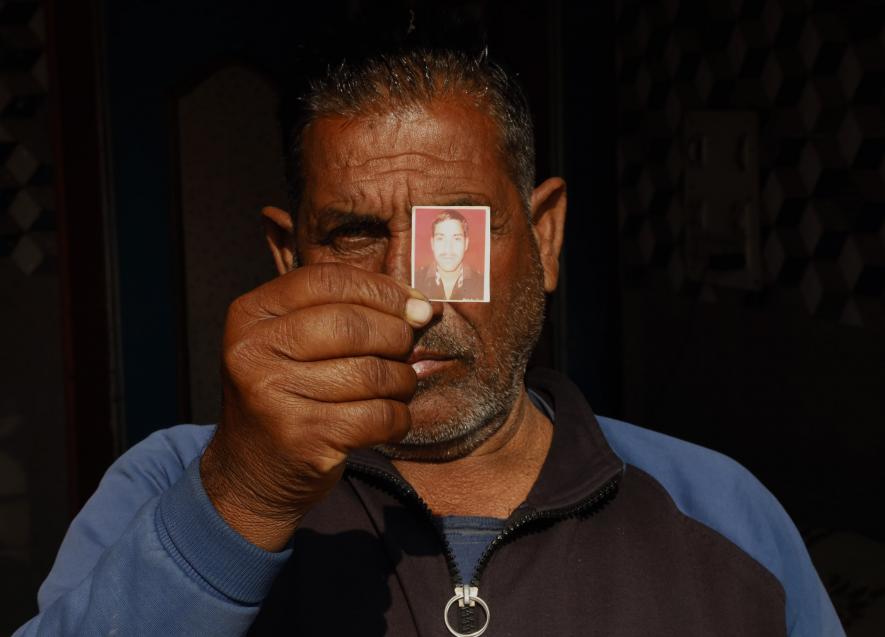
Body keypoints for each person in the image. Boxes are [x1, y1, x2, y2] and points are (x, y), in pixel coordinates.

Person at [16, 49, 843, 637]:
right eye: (353, 235)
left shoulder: (720, 513)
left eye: (454, 232)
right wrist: (243, 502)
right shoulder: (171, 485)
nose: (411, 296)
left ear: (544, 238)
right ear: (288, 257)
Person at [415, 209, 485, 301]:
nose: (448, 249)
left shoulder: (483, 284)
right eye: (440, 238)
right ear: (432, 243)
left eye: (456, 239)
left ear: (466, 244)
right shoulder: (414, 281)